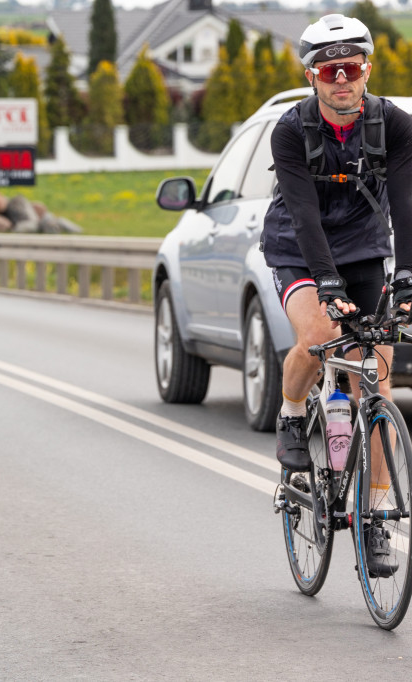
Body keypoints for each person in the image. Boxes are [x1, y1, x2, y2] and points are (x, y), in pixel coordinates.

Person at [262, 14, 412, 577]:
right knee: (322, 336)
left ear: (367, 69)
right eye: (330, 70)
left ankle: (374, 518)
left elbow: (406, 203)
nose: (342, 79)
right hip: (300, 249)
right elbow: (302, 214)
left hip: (363, 248)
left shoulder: (394, 125)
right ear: (313, 76)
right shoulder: (290, 130)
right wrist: (325, 283)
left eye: (352, 68)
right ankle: (293, 414)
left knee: (374, 375)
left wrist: (408, 278)